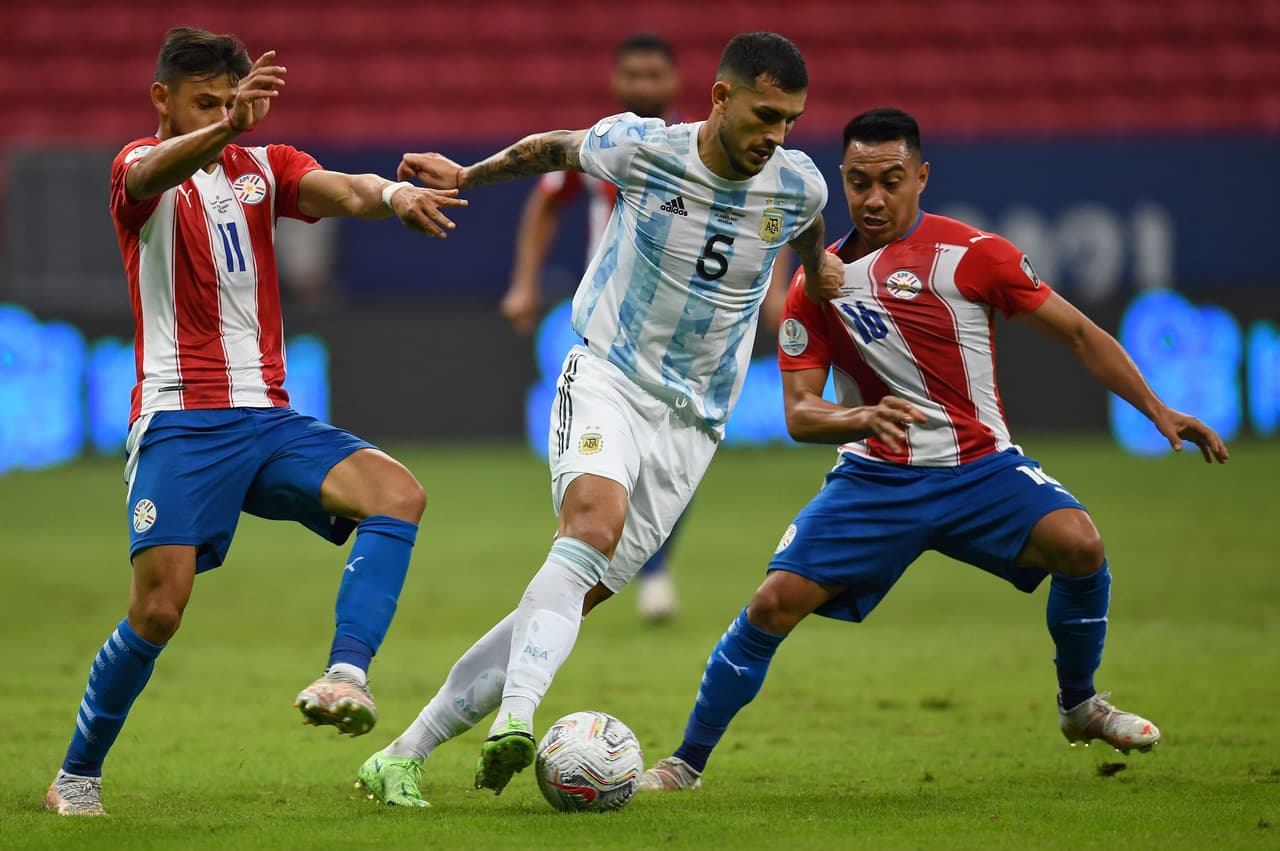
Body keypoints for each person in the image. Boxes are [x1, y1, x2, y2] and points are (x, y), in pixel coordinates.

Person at [639, 107, 1230, 793]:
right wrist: (862, 417)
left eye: (891, 181)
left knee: (1081, 545)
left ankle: (1079, 703)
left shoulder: (976, 255)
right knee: (773, 603)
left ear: (921, 176)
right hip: (876, 480)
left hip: (981, 468)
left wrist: (1158, 409)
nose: (874, 198)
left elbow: (1076, 333)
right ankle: (684, 763)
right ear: (841, 179)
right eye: (859, 182)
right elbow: (800, 413)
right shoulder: (818, 282)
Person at [354, 31, 842, 807]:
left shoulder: (799, 185)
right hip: (609, 372)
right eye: (764, 115)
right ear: (721, 98)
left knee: (567, 595)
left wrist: (818, 271)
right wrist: (469, 175)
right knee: (590, 526)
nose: (775, 135)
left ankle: (402, 754)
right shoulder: (644, 148)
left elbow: (809, 233)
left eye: (790, 120)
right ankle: (516, 717)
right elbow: (553, 149)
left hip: (693, 423)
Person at [44, 27, 468, 816]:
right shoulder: (138, 168)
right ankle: (76, 774)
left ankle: (345, 674)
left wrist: (394, 196)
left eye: (229, 103)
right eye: (204, 102)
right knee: (158, 608)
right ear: (162, 99)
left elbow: (345, 189)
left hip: (268, 419)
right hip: (180, 421)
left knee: (397, 493)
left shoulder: (264, 169)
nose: (220, 115)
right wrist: (225, 128)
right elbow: (153, 171)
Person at [503, 33, 685, 623]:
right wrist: (525, 281)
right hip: (610, 326)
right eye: (633, 74)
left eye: (653, 74)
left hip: (683, 332)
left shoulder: (701, 149)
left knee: (672, 461)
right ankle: (613, 559)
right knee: (605, 453)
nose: (643, 85)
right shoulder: (603, 146)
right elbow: (545, 199)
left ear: (675, 82)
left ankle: (648, 565)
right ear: (616, 81)